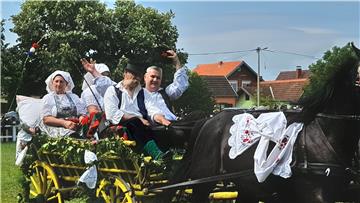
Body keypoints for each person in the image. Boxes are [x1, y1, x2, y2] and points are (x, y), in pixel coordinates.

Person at [103, 62, 170, 160]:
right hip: (123, 126)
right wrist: (137, 118)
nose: (136, 78)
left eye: (138, 76)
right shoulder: (113, 90)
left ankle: (167, 155)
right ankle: (157, 155)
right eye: (133, 74)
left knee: (159, 129)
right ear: (125, 73)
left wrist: (161, 118)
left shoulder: (143, 92)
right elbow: (112, 114)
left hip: (143, 126)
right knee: (135, 122)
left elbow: (152, 109)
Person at [40, 70, 86, 138]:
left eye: (61, 82)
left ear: (66, 84)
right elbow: (46, 119)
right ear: (52, 83)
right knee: (72, 136)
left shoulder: (74, 97)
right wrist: (64, 123)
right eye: (56, 81)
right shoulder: (48, 98)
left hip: (75, 127)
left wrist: (81, 119)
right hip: (56, 130)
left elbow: (81, 114)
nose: (58, 84)